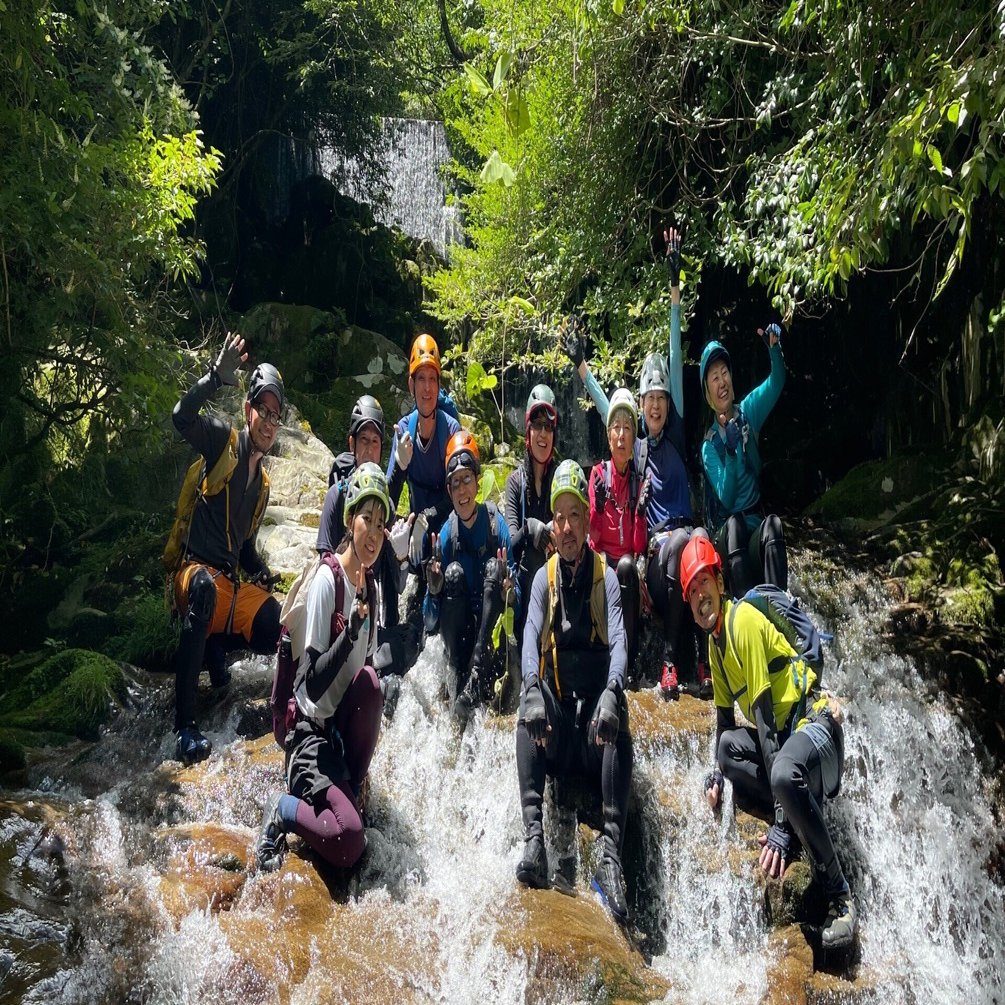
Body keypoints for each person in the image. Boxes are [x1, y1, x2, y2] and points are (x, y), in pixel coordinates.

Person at [682, 536, 856, 950]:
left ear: (720, 583)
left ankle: (841, 899)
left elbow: (762, 720)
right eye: (691, 592)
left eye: (704, 583)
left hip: (817, 732)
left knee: (782, 772)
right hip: (791, 750)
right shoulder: (715, 643)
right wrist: (715, 772)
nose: (700, 596)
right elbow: (726, 729)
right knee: (727, 754)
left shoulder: (741, 623)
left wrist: (780, 827)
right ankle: (794, 804)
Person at [515, 460, 634, 924]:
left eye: (574, 516)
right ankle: (534, 840)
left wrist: (613, 690)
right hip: (559, 731)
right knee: (529, 711)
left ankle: (610, 855)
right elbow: (529, 638)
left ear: (587, 520)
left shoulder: (605, 578)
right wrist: (529, 688)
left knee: (619, 715)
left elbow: (621, 641)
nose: (566, 527)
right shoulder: (543, 579)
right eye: (558, 517)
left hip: (595, 736)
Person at [256, 463, 390, 873]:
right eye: (368, 518)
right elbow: (312, 683)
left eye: (382, 523)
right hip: (309, 736)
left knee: (372, 682)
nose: (374, 532)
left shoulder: (371, 587)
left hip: (338, 737)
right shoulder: (326, 582)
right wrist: (349, 632)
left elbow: (361, 680)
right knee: (349, 842)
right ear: (351, 520)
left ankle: (351, 782)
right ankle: (282, 810)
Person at [168, 333, 283, 765]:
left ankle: (218, 653)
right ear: (248, 409)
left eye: (276, 415)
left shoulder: (263, 486)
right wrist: (215, 378)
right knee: (205, 591)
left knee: (276, 619)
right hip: (194, 578)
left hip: (229, 590)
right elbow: (181, 416)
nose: (269, 423)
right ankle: (185, 726)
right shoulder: (222, 440)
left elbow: (245, 548)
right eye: (263, 411)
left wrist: (266, 573)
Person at [318, 395, 419, 683]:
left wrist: (401, 558)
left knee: (408, 639)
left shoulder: (381, 501)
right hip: (339, 620)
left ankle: (377, 652)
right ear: (351, 444)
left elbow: (396, 583)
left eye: (376, 442)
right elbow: (322, 566)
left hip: (370, 620)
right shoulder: (337, 496)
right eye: (364, 440)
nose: (370, 449)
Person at [424, 431, 519, 728]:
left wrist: (510, 592)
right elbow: (429, 621)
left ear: (478, 483)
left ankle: (477, 677)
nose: (462, 490)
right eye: (455, 483)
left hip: (489, 645)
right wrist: (434, 590)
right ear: (449, 491)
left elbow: (517, 596)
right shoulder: (446, 536)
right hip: (460, 640)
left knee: (495, 567)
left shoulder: (495, 524)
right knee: (451, 575)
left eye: (467, 479)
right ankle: (456, 675)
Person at [700, 324, 787, 597]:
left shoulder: (748, 411)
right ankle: (745, 612)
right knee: (735, 526)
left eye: (724, 373)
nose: (721, 381)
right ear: (708, 393)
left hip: (755, 523)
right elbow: (727, 498)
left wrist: (774, 349)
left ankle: (779, 608)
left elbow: (777, 381)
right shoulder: (708, 446)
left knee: (773, 524)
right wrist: (733, 453)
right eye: (714, 378)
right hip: (728, 536)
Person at [385, 334, 461, 619]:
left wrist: (428, 515)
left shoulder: (451, 430)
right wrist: (399, 466)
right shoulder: (404, 431)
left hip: (444, 528)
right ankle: (390, 624)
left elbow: (461, 493)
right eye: (421, 379)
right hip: (415, 533)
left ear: (439, 384)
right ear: (411, 385)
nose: (427, 388)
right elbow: (389, 501)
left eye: (433, 379)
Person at [587, 389, 648, 681]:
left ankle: (629, 660)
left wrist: (639, 512)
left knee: (625, 567)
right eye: (616, 427)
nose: (622, 435)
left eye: (627, 428)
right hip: (602, 562)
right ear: (609, 436)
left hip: (625, 566)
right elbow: (593, 539)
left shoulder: (638, 480)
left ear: (634, 436)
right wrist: (597, 509)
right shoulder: (598, 475)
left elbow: (637, 546)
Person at [504, 384, 558, 650]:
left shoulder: (560, 479)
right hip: (523, 589)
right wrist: (529, 531)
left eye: (549, 428)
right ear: (528, 432)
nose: (543, 434)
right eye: (537, 425)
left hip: (556, 583)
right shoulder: (515, 482)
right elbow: (508, 546)